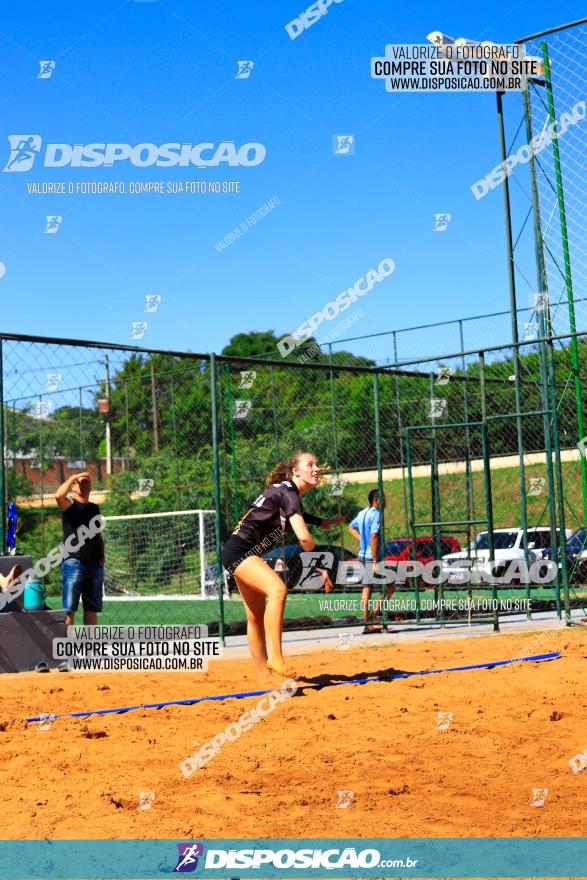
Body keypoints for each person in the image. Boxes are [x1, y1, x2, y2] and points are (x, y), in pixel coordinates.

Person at [221, 451, 344, 684]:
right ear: (296, 471)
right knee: (278, 590)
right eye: (310, 465)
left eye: (317, 464)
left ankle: (263, 676)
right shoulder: (289, 492)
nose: (316, 468)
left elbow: (297, 513)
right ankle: (275, 657)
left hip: (235, 550)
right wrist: (321, 563)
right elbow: (305, 539)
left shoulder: (285, 491)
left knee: (255, 617)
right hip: (240, 552)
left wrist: (322, 522)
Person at [55, 471, 104, 627]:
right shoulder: (69, 505)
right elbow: (58, 496)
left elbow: (98, 534)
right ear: (74, 486)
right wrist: (72, 477)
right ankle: (67, 649)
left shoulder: (94, 508)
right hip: (74, 562)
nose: (84, 485)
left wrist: (102, 557)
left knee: (92, 609)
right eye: (80, 482)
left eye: (87, 482)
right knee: (70, 609)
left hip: (95, 565)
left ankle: (91, 648)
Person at [348, 489, 390, 633]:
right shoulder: (376, 515)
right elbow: (374, 537)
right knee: (390, 586)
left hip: (362, 555)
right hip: (371, 557)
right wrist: (375, 560)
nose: (386, 501)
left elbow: (351, 527)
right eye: (384, 498)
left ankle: (368, 623)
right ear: (377, 500)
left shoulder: (362, 513)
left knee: (367, 588)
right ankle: (370, 620)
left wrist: (361, 539)